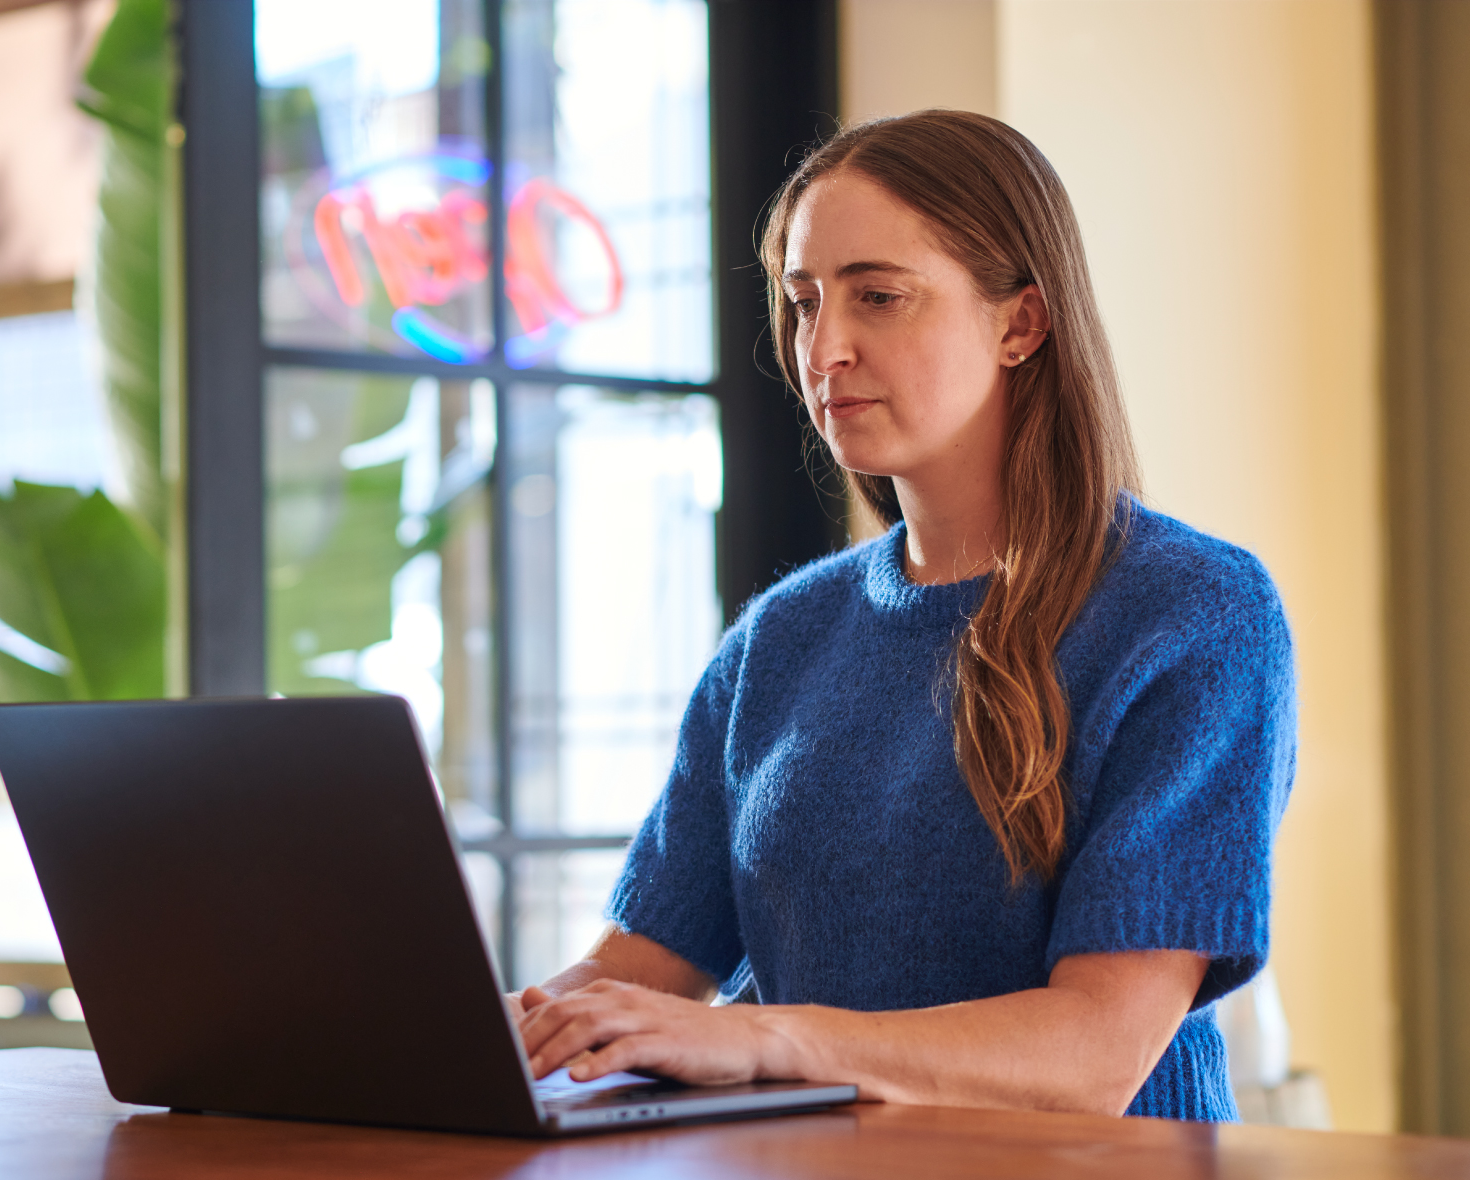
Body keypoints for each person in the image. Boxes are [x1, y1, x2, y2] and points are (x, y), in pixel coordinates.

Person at [511, 110, 1295, 1121]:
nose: (822, 347)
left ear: (1020, 324)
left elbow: (1095, 1052)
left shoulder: (1195, 614)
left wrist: (762, 1037)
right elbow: (631, 978)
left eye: (877, 297)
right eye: (804, 302)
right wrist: (442, 1038)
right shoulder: (778, 640)